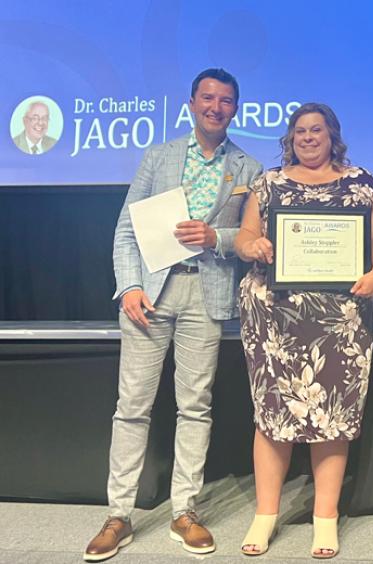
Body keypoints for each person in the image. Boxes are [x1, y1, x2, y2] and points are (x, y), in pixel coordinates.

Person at [83, 68, 263, 561]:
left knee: (195, 406)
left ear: (236, 108)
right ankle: (118, 515)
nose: (216, 107)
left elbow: (249, 241)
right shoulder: (159, 157)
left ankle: (185, 510)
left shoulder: (248, 168)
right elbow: (125, 231)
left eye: (226, 100)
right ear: (191, 103)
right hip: (151, 295)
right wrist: (130, 287)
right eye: (208, 98)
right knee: (133, 406)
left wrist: (217, 238)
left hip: (205, 296)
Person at [234, 102, 373, 559]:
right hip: (273, 318)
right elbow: (244, 237)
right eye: (299, 131)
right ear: (290, 137)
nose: (307, 137)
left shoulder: (362, 182)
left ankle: (325, 518)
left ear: (331, 135)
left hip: (341, 318)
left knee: (332, 419)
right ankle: (266, 516)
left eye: (316, 130)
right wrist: (254, 244)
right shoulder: (268, 182)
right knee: (273, 418)